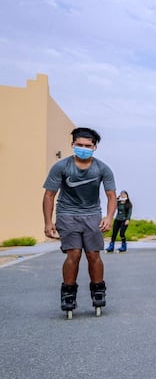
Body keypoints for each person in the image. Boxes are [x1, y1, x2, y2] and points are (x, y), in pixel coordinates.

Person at [43, 127, 116, 317]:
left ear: (95, 147)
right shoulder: (61, 167)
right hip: (67, 215)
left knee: (93, 255)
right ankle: (68, 293)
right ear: (73, 145)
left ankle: (98, 290)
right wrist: (48, 222)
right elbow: (49, 195)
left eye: (88, 145)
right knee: (73, 254)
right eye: (79, 145)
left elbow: (111, 196)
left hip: (92, 215)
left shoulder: (102, 168)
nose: (83, 148)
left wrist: (108, 217)